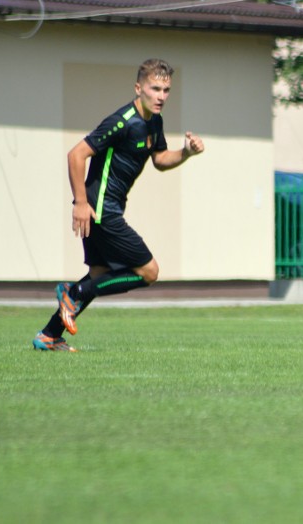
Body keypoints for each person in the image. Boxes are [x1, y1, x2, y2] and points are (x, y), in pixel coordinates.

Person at [33, 58, 205, 352]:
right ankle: (72, 293)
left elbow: (161, 160)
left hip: (109, 208)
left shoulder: (155, 121)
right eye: (155, 88)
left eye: (166, 90)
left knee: (100, 275)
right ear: (139, 88)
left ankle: (49, 335)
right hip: (100, 209)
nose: (161, 96)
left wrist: (186, 152)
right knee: (148, 271)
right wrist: (80, 203)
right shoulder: (121, 121)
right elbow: (76, 155)